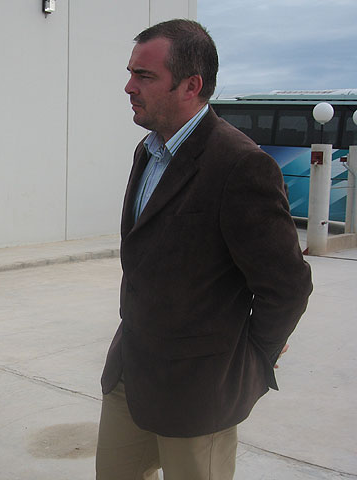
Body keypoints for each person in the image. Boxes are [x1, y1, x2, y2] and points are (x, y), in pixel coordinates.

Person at [96, 19, 313, 480]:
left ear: (191, 85)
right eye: (131, 72)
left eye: (145, 76)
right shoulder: (147, 150)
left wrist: (252, 360)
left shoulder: (240, 165)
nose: (129, 86)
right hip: (130, 375)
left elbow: (287, 286)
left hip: (199, 393)